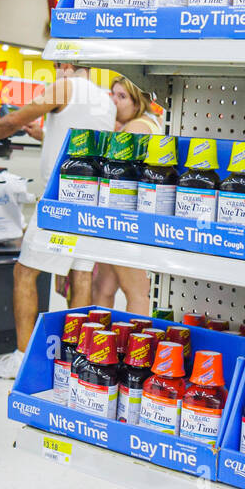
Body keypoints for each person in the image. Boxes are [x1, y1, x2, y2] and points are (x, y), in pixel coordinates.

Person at [0, 62, 115, 380]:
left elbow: (12, 119)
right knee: (80, 278)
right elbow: (71, 135)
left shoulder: (64, 87)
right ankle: (74, 358)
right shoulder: (104, 99)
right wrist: (43, 135)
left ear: (64, 64)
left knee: (24, 272)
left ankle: (22, 358)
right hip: (91, 196)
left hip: (59, 198)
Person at [90, 75, 158, 315]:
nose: (115, 102)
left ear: (137, 101)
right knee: (103, 287)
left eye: (122, 96)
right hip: (127, 218)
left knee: (136, 292)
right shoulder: (150, 122)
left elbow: (118, 174)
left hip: (125, 219)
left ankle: (135, 349)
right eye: (113, 95)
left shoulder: (135, 127)